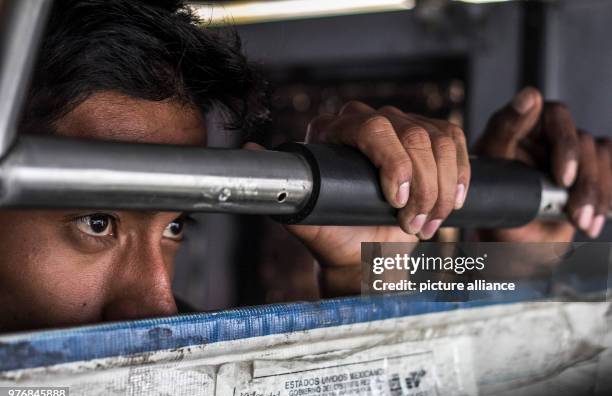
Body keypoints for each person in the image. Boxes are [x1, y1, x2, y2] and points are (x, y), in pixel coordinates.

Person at [0, 0, 609, 332]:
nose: (158, 302)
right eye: (97, 222)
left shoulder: (178, 357)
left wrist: (535, 269)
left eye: (177, 226)